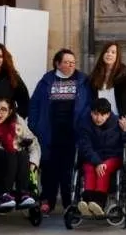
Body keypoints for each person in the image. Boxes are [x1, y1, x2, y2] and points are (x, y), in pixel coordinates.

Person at [29, 48, 92, 215]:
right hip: (50, 131)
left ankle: (68, 201)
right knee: (49, 166)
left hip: (73, 131)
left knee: (68, 167)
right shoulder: (47, 81)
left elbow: (88, 106)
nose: (71, 65)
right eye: (66, 62)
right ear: (57, 63)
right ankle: (47, 200)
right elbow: (34, 104)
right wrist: (34, 126)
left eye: (73, 62)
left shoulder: (83, 80)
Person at [75, 98, 126, 217]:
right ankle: (87, 202)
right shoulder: (85, 124)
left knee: (104, 169)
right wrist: (97, 162)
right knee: (88, 168)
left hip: (113, 157)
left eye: (103, 115)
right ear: (91, 112)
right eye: (95, 114)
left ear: (108, 114)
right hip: (92, 157)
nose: (99, 118)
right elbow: (85, 147)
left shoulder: (117, 122)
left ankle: (99, 203)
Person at [88, 42, 126, 130]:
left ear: (117, 56)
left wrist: (124, 119)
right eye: (107, 52)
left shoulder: (124, 74)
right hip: (99, 118)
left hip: (117, 118)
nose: (109, 54)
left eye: (113, 52)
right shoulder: (95, 74)